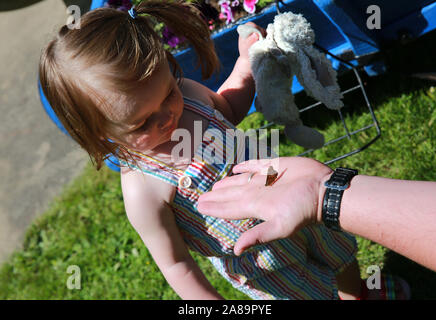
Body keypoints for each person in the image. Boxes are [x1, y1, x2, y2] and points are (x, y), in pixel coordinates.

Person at [39, 0, 408, 300]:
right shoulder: (143, 188)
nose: (167, 115)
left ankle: (355, 294)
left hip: (287, 190)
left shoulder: (191, 98)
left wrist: (247, 64)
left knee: (340, 254)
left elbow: (229, 107)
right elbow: (176, 264)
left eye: (168, 92)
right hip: (262, 260)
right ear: (97, 133)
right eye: (141, 124)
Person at [197, 157, 436, 280]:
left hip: (316, 227)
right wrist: (321, 189)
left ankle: (360, 295)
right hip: (275, 269)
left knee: (341, 259)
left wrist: (322, 191)